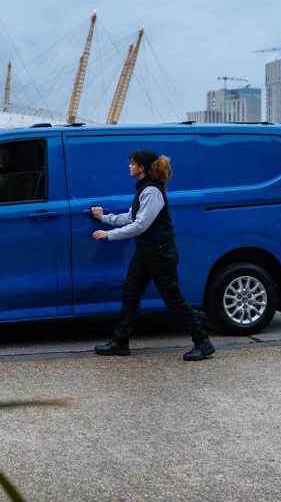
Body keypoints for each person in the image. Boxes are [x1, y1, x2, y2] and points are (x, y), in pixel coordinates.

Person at [91, 149, 215, 361]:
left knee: (173, 299)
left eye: (132, 163)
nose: (129, 166)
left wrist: (108, 235)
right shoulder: (144, 189)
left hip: (159, 254)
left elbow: (140, 225)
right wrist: (105, 218)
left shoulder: (152, 192)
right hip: (145, 253)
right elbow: (131, 217)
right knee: (130, 296)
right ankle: (120, 343)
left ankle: (203, 342)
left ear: (142, 168)